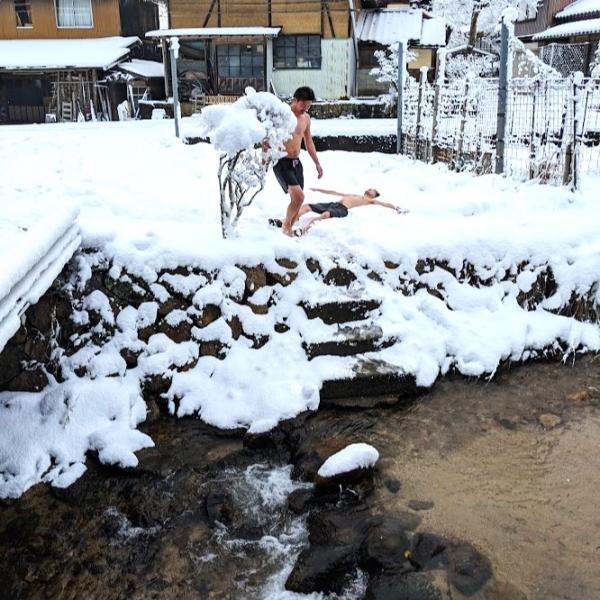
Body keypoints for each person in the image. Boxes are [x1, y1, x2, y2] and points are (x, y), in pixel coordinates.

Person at [273, 86, 323, 236]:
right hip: (281, 161)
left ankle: (287, 224)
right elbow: (267, 136)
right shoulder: (283, 115)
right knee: (299, 197)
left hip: (296, 163)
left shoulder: (306, 118)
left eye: (308, 106)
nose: (305, 109)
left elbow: (309, 142)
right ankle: (286, 228)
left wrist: (317, 163)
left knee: (298, 200)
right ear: (294, 100)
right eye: (303, 105)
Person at [295, 187, 408, 233]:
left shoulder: (368, 200)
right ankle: (291, 219)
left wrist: (396, 208)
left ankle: (305, 227)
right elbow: (335, 192)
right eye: (370, 188)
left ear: (373, 195)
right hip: (333, 204)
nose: (369, 189)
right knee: (306, 206)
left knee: (325, 214)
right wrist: (319, 190)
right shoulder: (354, 195)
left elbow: (384, 204)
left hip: (343, 209)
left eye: (372, 190)